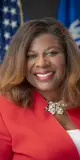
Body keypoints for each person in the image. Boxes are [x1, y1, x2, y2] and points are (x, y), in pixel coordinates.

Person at [0, 17, 80, 160]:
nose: (41, 63)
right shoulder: (4, 108)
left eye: (52, 53)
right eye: (31, 56)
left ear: (67, 57)